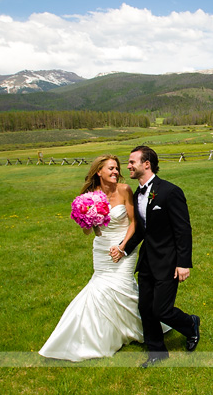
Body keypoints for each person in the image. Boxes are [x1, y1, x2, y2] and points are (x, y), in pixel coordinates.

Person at [39, 155, 170, 362]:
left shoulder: (125, 190)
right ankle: (100, 335)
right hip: (101, 249)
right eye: (111, 168)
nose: (116, 172)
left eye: (117, 168)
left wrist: (123, 246)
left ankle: (142, 328)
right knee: (99, 289)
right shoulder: (88, 196)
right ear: (98, 171)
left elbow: (134, 222)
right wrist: (88, 218)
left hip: (125, 246)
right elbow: (86, 231)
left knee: (123, 287)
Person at [113, 146, 199, 367]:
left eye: (132, 162)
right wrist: (124, 248)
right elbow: (142, 230)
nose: (128, 166)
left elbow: (183, 230)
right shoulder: (137, 194)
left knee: (162, 310)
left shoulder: (170, 192)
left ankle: (190, 324)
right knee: (145, 309)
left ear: (146, 164)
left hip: (169, 262)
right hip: (147, 262)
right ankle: (157, 353)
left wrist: (183, 263)